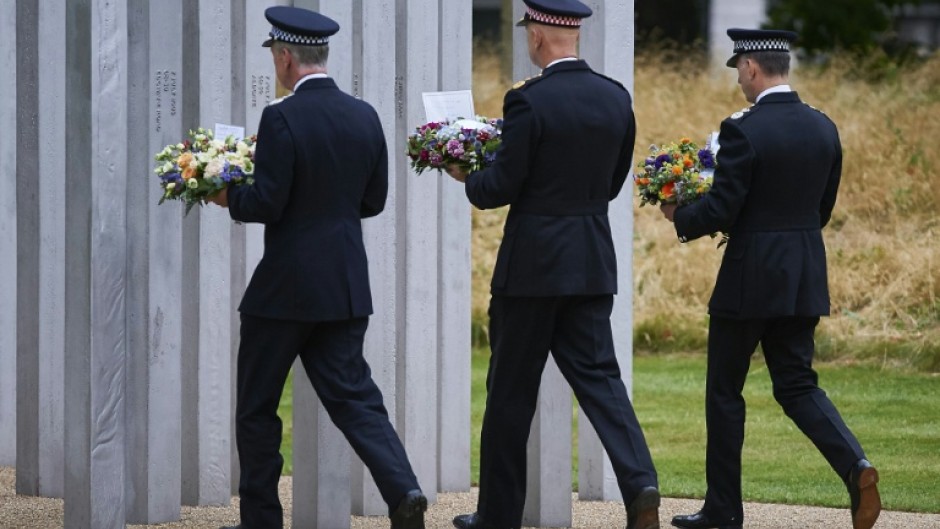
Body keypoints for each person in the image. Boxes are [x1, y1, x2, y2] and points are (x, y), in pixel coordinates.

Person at [208, 6, 425, 529]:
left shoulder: (280, 117)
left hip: (284, 290)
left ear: (284, 58)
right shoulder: (365, 115)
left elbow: (268, 203)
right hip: (345, 284)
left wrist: (226, 194)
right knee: (356, 399)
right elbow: (373, 201)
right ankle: (405, 491)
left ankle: (261, 520)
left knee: (257, 407)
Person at [445, 1, 660, 528]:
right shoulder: (615, 98)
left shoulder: (529, 102)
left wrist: (465, 173)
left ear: (539, 36)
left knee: (511, 393)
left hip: (533, 268)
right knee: (602, 382)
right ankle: (641, 484)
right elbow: (611, 183)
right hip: (589, 259)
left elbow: (499, 187)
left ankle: (498, 517)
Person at [659, 29, 881, 529]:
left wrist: (679, 213)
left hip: (749, 278)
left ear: (754, 69)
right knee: (798, 385)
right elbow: (823, 206)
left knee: (724, 392)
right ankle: (856, 464)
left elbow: (724, 204)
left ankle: (723, 512)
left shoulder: (743, 129)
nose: (739, 79)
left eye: (739, 69)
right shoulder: (824, 127)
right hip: (804, 273)